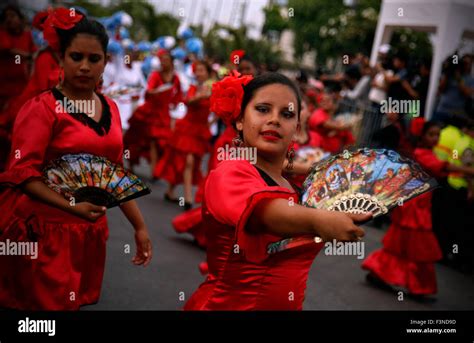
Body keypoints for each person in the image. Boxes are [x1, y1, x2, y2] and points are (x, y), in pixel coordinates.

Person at [0, 10, 152, 310]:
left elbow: (113, 174)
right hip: (43, 232)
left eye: (94, 59)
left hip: (87, 234)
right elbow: (23, 173)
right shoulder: (41, 108)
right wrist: (73, 205)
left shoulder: (111, 108)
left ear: (105, 62)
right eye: (76, 56)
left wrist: (140, 227)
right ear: (61, 58)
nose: (84, 66)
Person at [184, 72, 370, 310]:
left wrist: (345, 215)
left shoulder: (290, 188)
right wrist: (319, 219)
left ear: (296, 128)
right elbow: (265, 213)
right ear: (240, 120)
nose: (274, 120)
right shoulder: (229, 172)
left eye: (287, 114)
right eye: (262, 109)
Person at [362, 121, 474, 297]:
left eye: (437, 135)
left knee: (406, 246)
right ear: (422, 136)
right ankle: (413, 284)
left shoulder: (427, 153)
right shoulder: (422, 153)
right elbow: (444, 167)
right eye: (431, 134)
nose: (435, 138)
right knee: (415, 247)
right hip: (414, 206)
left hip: (418, 204)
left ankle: (390, 276)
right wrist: (468, 170)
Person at [154, 60, 212, 209]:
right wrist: (202, 96)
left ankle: (170, 191)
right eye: (197, 70)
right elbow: (188, 101)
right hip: (187, 128)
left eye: (202, 70)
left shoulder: (213, 89)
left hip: (199, 130)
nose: (199, 73)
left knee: (187, 162)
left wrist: (212, 123)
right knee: (188, 161)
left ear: (208, 73)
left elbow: (217, 109)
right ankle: (188, 198)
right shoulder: (193, 88)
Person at [0, 5, 37, 110]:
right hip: (4, 86)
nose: (9, 19)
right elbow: (9, 49)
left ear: (20, 19)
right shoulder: (2, 34)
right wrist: (29, 56)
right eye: (6, 17)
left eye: (12, 16)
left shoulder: (27, 35)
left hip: (21, 86)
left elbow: (34, 51)